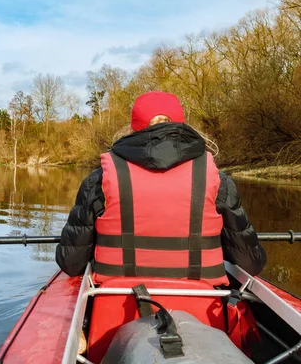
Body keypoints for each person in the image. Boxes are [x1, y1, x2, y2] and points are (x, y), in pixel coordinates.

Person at [56, 91, 266, 285]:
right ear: (183, 126)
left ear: (133, 128)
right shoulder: (219, 182)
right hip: (201, 308)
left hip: (115, 303)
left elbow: (71, 262)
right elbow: (250, 263)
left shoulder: (99, 180)